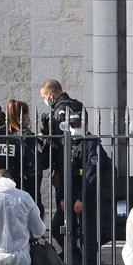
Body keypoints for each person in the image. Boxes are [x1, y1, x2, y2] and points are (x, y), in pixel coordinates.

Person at [51, 111, 112, 265]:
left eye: (77, 125)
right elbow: (63, 171)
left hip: (86, 194)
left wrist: (81, 199)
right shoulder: (67, 142)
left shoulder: (91, 142)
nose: (75, 128)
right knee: (58, 227)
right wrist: (62, 196)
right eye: (72, 125)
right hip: (69, 193)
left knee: (87, 234)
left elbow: (91, 173)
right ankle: (74, 256)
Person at [39, 79, 85, 213]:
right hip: (80, 161)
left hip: (64, 166)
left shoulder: (58, 113)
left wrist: (57, 171)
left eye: (44, 97)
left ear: (51, 95)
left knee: (64, 207)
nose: (45, 101)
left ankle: (68, 232)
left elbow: (59, 144)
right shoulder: (77, 105)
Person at [3, 100, 44, 216]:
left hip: (7, 186)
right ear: (23, 116)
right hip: (26, 187)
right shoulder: (28, 137)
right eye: (27, 114)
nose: (29, 117)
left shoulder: (2, 135)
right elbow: (37, 165)